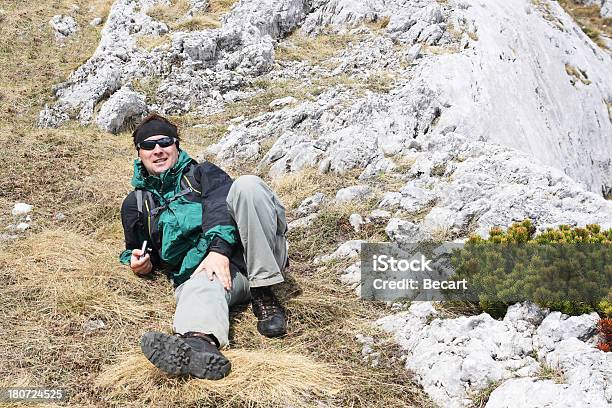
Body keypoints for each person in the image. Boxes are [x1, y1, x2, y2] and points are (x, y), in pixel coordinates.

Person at [119, 114, 289, 380]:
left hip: (254, 253)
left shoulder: (203, 173)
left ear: (177, 145)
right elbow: (137, 247)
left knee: (248, 186)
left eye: (165, 142)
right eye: (149, 146)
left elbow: (221, 205)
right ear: (139, 153)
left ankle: (263, 291)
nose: (158, 150)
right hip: (212, 276)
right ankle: (198, 345)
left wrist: (218, 249)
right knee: (199, 285)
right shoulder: (136, 204)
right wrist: (141, 262)